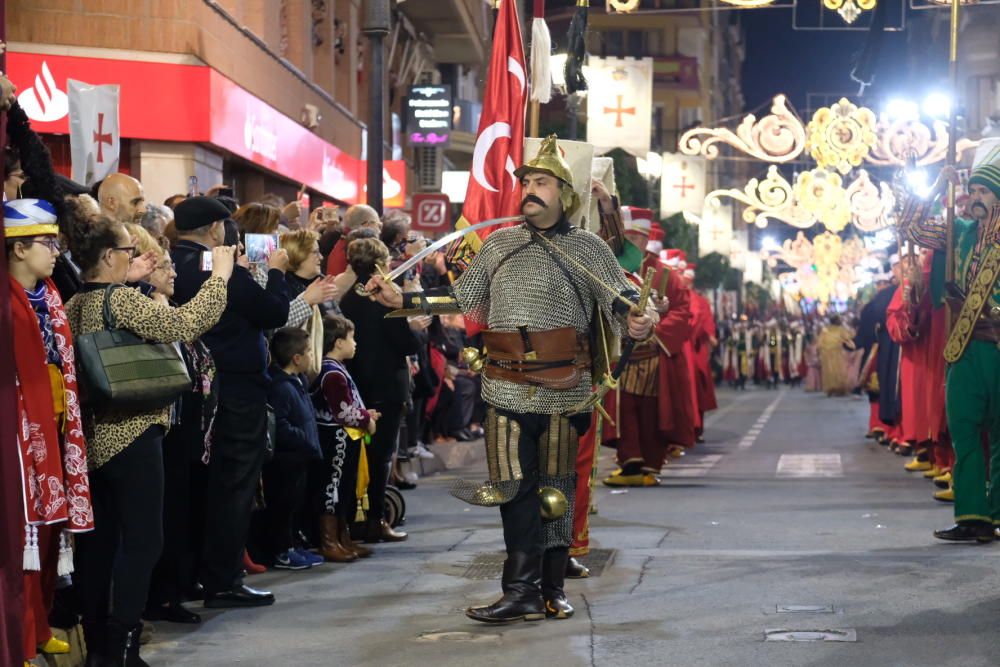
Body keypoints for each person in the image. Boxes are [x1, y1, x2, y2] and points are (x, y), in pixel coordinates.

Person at [368, 135, 655, 623]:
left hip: (565, 387)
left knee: (555, 491)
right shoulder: (499, 242)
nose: (530, 189)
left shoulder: (588, 247)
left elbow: (621, 299)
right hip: (504, 384)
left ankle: (553, 586)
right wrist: (405, 303)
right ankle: (518, 589)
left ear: (564, 194)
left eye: (542, 182)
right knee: (512, 491)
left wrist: (638, 320)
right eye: (527, 182)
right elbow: (464, 299)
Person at [64, 211, 233, 667]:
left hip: (95, 437)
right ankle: (124, 646)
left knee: (99, 545)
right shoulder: (122, 301)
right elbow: (185, 324)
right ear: (108, 256)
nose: (134, 257)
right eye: (127, 251)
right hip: (135, 431)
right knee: (144, 541)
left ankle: (99, 643)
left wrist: (132, 277)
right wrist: (219, 279)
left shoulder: (78, 302)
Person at [170, 196, 289, 607]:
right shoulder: (215, 269)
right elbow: (273, 311)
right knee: (234, 486)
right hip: (236, 391)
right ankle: (223, 580)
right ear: (216, 229)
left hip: (192, 392)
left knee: (198, 490)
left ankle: (189, 580)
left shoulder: (171, 264)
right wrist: (276, 272)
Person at [6, 199, 94, 665]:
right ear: (18, 250)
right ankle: (18, 636)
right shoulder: (7, 300)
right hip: (21, 425)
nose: (57, 252)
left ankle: (39, 626)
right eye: (47, 243)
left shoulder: (51, 295)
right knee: (24, 532)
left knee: (49, 527)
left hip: (55, 418)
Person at [901, 141, 1000, 542]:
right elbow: (912, 227)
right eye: (972, 191)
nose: (974, 199)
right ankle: (973, 516)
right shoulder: (959, 231)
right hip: (963, 348)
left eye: (983, 192)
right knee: (963, 429)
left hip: (997, 348)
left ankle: (997, 514)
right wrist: (931, 189)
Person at [339, 237, 420, 543]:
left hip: (357, 384)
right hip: (388, 383)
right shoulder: (386, 297)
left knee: (356, 453)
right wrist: (417, 329)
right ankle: (375, 520)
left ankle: (351, 520)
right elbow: (407, 343)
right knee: (382, 454)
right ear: (381, 263)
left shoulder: (346, 298)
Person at [312, 315, 379, 562]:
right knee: (332, 488)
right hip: (335, 437)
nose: (355, 343)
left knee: (343, 487)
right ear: (338, 342)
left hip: (344, 437)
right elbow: (342, 411)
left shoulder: (336, 370)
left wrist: (364, 413)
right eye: (351, 338)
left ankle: (343, 538)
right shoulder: (331, 373)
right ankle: (329, 542)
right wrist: (366, 420)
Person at [263, 328, 325, 570]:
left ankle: (294, 545)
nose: (312, 355)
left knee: (295, 505)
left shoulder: (297, 381)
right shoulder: (280, 387)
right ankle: (282, 551)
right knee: (283, 507)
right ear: (296, 358)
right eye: (308, 351)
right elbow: (280, 424)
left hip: (301, 457)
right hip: (287, 459)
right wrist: (303, 438)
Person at [325, 204, 382, 276]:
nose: (380, 231)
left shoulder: (340, 244)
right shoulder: (359, 251)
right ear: (367, 225)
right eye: (378, 226)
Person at [817, 316, 853, 396]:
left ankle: (830, 389)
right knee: (839, 370)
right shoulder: (841, 329)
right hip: (837, 353)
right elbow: (848, 337)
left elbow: (819, 343)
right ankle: (839, 389)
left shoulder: (825, 330)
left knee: (829, 371)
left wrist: (820, 351)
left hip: (826, 353)